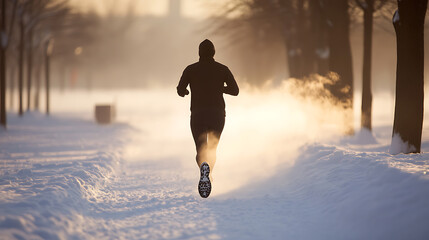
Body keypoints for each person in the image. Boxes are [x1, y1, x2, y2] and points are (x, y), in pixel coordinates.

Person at [177, 39, 239, 198]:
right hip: (217, 115)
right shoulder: (222, 69)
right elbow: (235, 90)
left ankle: (203, 168)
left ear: (199, 53)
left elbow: (180, 89)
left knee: (200, 147)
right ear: (213, 53)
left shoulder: (190, 69)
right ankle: (209, 171)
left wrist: (185, 92)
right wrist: (220, 88)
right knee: (212, 147)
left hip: (198, 114)